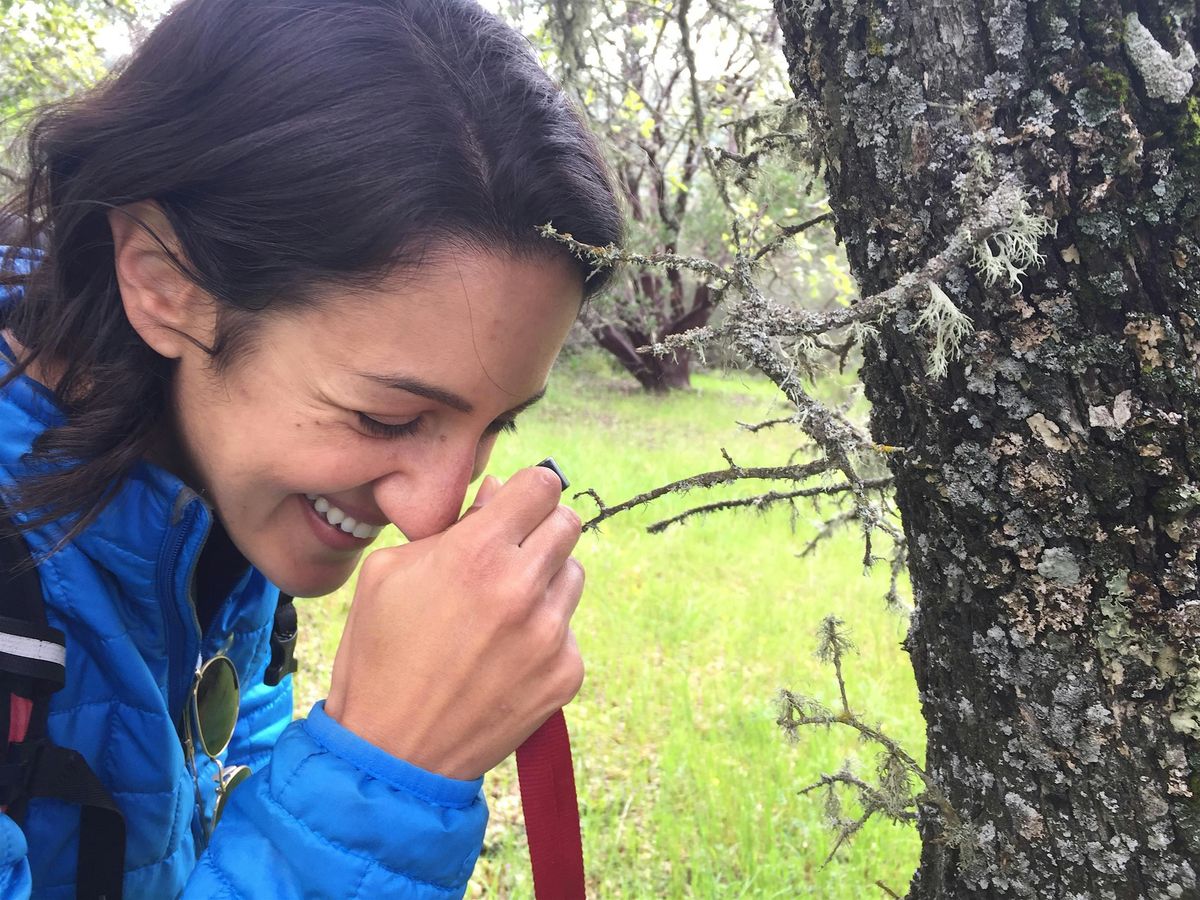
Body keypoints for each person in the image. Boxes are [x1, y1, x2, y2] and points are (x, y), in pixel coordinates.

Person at [0, 0, 622, 895]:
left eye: (499, 424)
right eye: (385, 417)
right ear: (163, 282)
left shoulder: (204, 486)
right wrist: (376, 785)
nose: (432, 510)